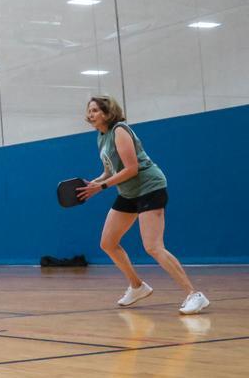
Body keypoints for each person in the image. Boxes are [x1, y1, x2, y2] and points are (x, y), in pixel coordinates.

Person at [76, 95, 209, 315]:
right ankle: (137, 286)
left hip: (150, 187)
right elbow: (111, 171)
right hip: (129, 192)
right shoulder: (101, 137)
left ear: (108, 113)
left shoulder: (119, 130)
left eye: (95, 110)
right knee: (108, 243)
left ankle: (194, 294)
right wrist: (95, 182)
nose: (90, 115)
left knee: (153, 246)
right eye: (89, 111)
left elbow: (131, 169)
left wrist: (101, 188)